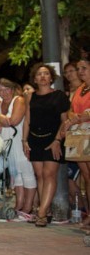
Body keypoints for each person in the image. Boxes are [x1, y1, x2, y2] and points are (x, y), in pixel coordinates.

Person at [23, 63, 70, 227]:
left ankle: (41, 212)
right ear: (34, 78)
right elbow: (27, 120)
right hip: (35, 138)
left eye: (46, 74)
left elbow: (65, 121)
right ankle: (46, 209)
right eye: (39, 74)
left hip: (53, 139)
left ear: (51, 77)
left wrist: (58, 140)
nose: (43, 76)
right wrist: (24, 141)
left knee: (49, 174)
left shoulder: (59, 96)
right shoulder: (30, 96)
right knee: (40, 175)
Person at [0, 78, 35, 220]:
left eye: (6, 89)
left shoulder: (18, 100)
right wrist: (2, 119)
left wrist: (0, 118)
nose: (4, 92)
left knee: (26, 172)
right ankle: (19, 204)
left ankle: (29, 206)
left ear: (12, 89)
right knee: (16, 175)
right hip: (7, 143)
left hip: (19, 140)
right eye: (0, 90)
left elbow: (14, 121)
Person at [61, 59, 90, 228]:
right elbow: (72, 109)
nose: (80, 72)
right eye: (78, 69)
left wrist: (77, 119)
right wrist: (72, 118)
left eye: (84, 68)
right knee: (86, 177)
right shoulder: (80, 89)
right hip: (80, 135)